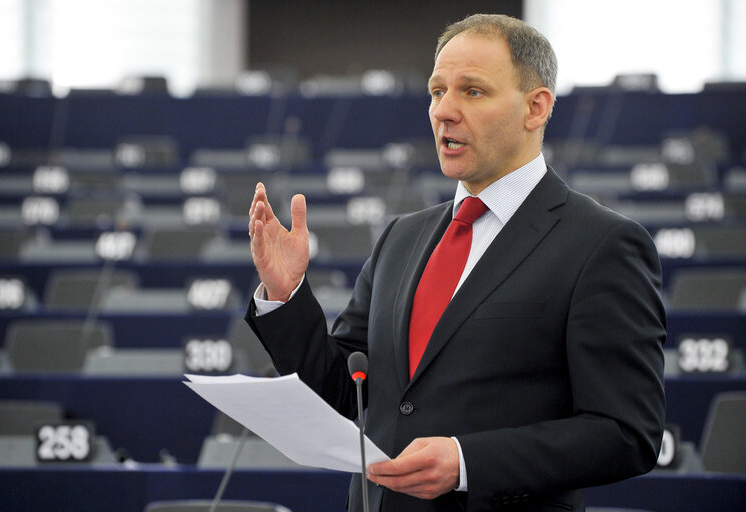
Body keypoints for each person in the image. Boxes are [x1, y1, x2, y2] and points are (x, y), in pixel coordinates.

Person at [246, 13, 666, 512]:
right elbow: (347, 393)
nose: (444, 111)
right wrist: (286, 295)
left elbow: (625, 433)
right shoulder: (401, 238)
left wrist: (469, 462)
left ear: (536, 108)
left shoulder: (603, 244)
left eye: (472, 91)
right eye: (436, 91)